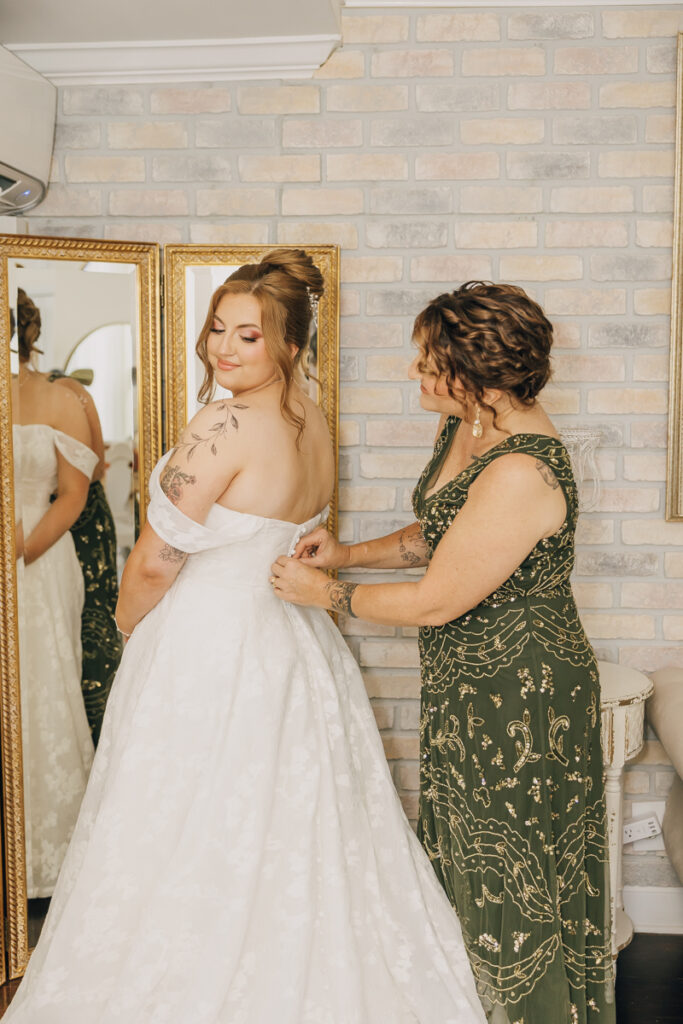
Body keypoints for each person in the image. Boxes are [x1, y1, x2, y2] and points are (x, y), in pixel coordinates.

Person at [4, 251, 486, 1024]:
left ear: (289, 345)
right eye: (216, 330)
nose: (222, 349)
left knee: (188, 819)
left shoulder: (222, 423)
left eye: (247, 336)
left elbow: (157, 558)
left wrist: (130, 632)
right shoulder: (313, 421)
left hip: (210, 643)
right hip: (295, 645)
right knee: (292, 825)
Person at [272, 282, 615, 1024]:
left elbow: (435, 598)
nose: (414, 376)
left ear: (478, 370)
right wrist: (343, 556)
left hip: (524, 695)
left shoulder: (522, 468)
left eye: (429, 364)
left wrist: (322, 595)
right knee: (465, 851)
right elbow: (438, 535)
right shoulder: (468, 426)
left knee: (513, 862)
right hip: (468, 680)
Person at [11, 288, 97, 901]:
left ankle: (47, 852)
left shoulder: (59, 398)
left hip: (38, 555)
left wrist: (19, 552)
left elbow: (74, 494)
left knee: (41, 690)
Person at [49, 370, 123, 746]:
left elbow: (95, 466)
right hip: (66, 517)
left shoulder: (68, 389)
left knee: (92, 615)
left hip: (85, 519)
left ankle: (97, 727)